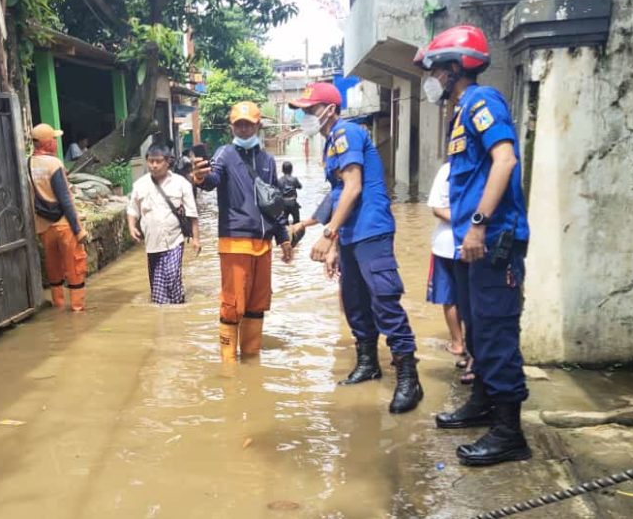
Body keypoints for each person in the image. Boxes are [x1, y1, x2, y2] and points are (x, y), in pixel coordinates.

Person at [414, 25, 532, 466]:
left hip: (493, 241)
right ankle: (482, 403)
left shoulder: (483, 102)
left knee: (496, 331)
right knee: (478, 329)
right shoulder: (462, 111)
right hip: (470, 244)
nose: (433, 78)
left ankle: (509, 433)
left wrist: (479, 225)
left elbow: (505, 160)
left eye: (437, 70)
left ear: (454, 69)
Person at [290, 82, 422, 414]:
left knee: (384, 301)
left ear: (329, 109)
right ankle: (368, 363)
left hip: (371, 230)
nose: (306, 117)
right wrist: (326, 236)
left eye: (309, 110)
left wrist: (328, 234)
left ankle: (409, 378)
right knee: (354, 302)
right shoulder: (331, 142)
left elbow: (353, 187)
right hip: (351, 234)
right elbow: (336, 195)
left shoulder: (345, 133)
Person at [191, 101, 293, 362]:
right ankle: (228, 365)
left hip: (263, 245)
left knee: (257, 305)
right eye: (239, 125)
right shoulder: (225, 155)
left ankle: (251, 361)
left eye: (249, 124)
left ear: (258, 125)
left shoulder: (268, 160)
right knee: (232, 304)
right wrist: (200, 177)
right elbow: (212, 180)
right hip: (235, 242)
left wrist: (283, 238)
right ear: (232, 127)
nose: (245, 129)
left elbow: (274, 202)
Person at [127, 144, 201, 304]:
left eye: (158, 161)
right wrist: (131, 227)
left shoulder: (181, 184)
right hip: (152, 243)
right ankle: (169, 312)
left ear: (168, 162)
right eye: (151, 161)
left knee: (172, 274)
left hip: (174, 240)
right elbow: (132, 210)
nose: (154, 165)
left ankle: (175, 310)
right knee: (158, 291)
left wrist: (196, 239)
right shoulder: (140, 185)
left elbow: (192, 214)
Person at [30, 123, 88, 311]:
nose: (56, 142)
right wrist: (78, 229)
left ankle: (58, 305)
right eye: (53, 139)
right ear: (47, 143)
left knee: (53, 267)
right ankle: (78, 309)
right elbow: (65, 199)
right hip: (63, 224)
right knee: (75, 266)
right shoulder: (54, 164)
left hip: (43, 225)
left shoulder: (28, 163)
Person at [427, 161, 467, 366]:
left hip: (446, 243)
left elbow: (437, 208)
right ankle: (472, 348)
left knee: (449, 297)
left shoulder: (447, 169)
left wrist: (461, 221)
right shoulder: (486, 166)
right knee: (470, 296)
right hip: (470, 242)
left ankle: (457, 343)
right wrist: (472, 223)